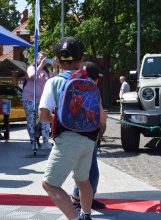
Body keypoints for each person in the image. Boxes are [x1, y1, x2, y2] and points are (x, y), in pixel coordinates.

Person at [38, 36, 106, 220]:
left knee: (49, 184)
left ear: (58, 61)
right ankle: (86, 214)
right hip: (89, 141)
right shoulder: (91, 83)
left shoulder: (53, 82)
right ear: (82, 60)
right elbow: (101, 118)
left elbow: (43, 116)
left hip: (67, 140)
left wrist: (60, 120)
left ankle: (75, 218)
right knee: (83, 180)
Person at [71, 61, 107, 211]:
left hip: (71, 135)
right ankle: (80, 202)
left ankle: (83, 199)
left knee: (83, 171)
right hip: (88, 138)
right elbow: (102, 121)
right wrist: (100, 135)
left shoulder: (72, 85)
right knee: (92, 174)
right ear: (96, 79)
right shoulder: (93, 91)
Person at [22, 51, 53, 150]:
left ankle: (45, 141)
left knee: (45, 118)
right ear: (36, 59)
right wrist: (40, 65)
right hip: (29, 98)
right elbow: (32, 76)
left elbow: (53, 79)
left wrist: (56, 67)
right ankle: (33, 141)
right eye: (41, 58)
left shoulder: (47, 71)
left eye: (45, 58)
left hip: (42, 98)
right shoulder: (31, 68)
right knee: (31, 119)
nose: (43, 60)